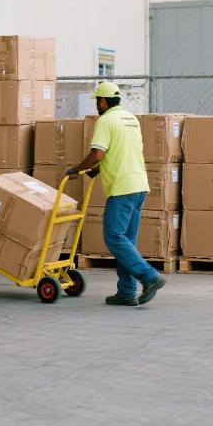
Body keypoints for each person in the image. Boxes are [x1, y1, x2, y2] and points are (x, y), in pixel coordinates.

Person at [66, 82, 166, 306]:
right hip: (139, 185)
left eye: (97, 102)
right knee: (126, 240)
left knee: (114, 237)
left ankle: (149, 277)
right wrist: (97, 171)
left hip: (122, 188)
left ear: (103, 102)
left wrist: (77, 169)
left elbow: (98, 154)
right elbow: (120, 152)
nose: (96, 106)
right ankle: (127, 291)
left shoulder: (105, 121)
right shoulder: (132, 120)